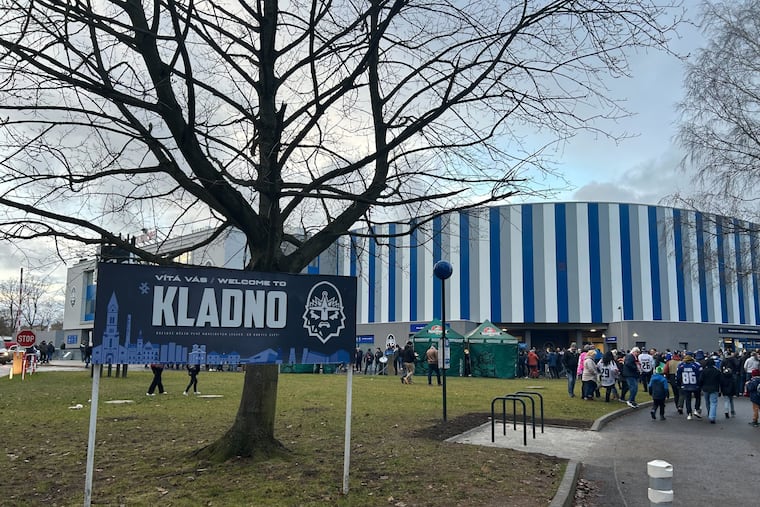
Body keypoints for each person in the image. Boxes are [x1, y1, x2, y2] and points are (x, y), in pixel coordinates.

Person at [677, 354, 701, 420]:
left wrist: (679, 384)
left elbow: (678, 377)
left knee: (688, 399)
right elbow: (700, 376)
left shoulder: (681, 366)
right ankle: (696, 409)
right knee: (698, 397)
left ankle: (689, 413)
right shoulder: (696, 365)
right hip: (695, 384)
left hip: (685, 384)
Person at [699, 357, 721, 424]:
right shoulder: (717, 371)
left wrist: (701, 387)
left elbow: (700, 380)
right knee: (713, 403)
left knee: (707, 402)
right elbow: (720, 380)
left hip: (705, 388)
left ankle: (709, 413)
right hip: (714, 388)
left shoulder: (704, 371)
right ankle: (712, 417)